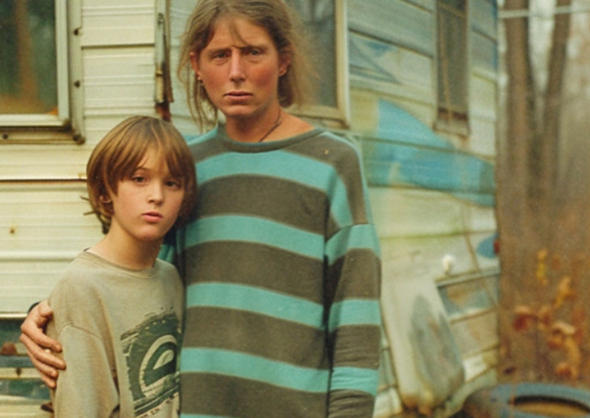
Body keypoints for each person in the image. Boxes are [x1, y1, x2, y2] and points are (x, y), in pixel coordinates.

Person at [21, 1, 382, 417]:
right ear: (196, 64)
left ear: (283, 59)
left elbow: (356, 318)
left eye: (253, 52)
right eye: (219, 55)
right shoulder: (183, 171)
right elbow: (133, 276)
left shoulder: (332, 163)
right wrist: (48, 317)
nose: (236, 72)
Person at [43, 115, 197, 417]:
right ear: (105, 191)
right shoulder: (81, 287)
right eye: (139, 179)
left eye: (171, 183)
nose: (157, 196)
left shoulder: (169, 277)